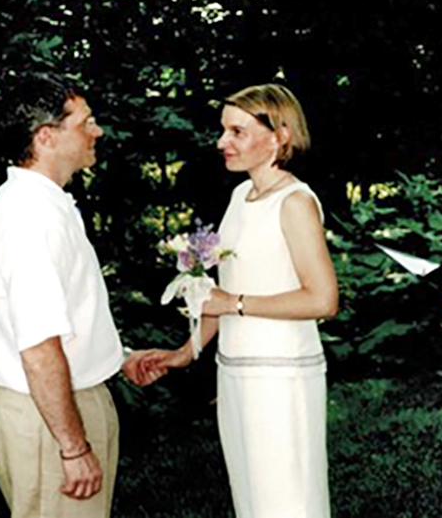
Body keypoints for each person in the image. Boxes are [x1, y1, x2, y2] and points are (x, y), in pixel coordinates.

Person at [142, 83, 339, 518]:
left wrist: (235, 303)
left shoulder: (294, 203)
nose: (221, 142)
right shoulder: (240, 196)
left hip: (281, 378)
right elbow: (220, 294)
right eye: (223, 130)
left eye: (237, 132)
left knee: (287, 502)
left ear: (280, 135)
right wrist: (187, 350)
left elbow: (323, 299)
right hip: (234, 373)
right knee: (251, 501)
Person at [0, 74, 165, 518]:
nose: (97, 131)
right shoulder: (30, 218)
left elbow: (60, 322)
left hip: (59, 404)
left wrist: (115, 356)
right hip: (49, 418)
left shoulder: (45, 204)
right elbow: (39, 349)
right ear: (46, 137)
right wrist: (73, 447)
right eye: (86, 122)